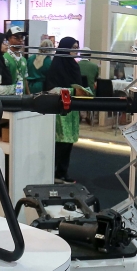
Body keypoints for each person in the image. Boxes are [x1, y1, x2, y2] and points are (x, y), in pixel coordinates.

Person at [43, 37, 90, 183]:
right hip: (60, 110)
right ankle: (52, 172)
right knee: (59, 143)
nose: (75, 51)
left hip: (72, 109)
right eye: (73, 48)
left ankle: (62, 172)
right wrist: (72, 91)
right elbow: (50, 89)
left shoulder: (74, 66)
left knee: (69, 143)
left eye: (77, 48)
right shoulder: (56, 66)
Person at [4, 26, 29, 93]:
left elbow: (25, 79)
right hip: (9, 97)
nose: (20, 40)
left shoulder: (23, 59)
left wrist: (28, 95)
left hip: (21, 98)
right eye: (16, 37)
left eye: (22, 37)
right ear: (9, 39)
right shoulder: (4, 57)